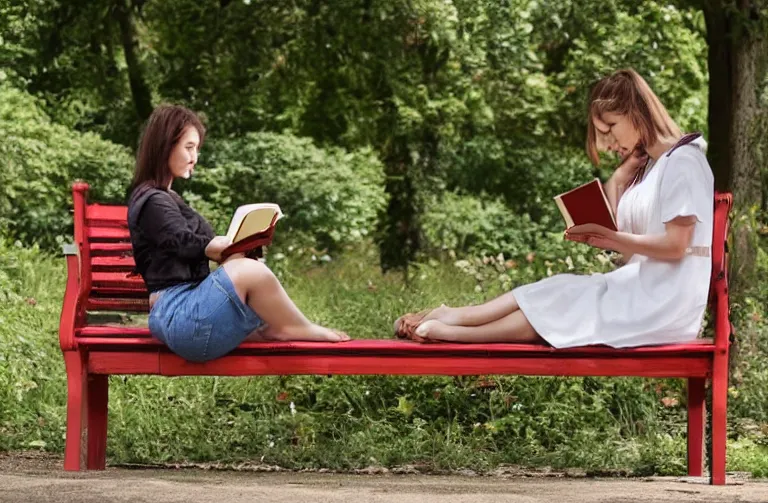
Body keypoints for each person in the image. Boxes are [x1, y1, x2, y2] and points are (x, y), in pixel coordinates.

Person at [395, 68, 714, 348]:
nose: (607, 142)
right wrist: (615, 184)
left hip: (665, 304)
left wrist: (610, 238)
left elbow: (675, 246)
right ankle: (456, 317)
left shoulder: (684, 160)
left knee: (568, 296)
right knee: (559, 287)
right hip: (644, 291)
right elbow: (631, 256)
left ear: (636, 112)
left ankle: (456, 332)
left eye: (610, 127)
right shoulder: (650, 170)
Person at [127, 105, 350, 363]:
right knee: (246, 270)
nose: (195, 157)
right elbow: (178, 239)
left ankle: (279, 328)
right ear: (165, 145)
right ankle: (292, 328)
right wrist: (212, 247)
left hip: (187, 312)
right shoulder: (152, 200)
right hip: (179, 314)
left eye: (197, 149)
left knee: (248, 266)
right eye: (189, 147)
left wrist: (236, 251)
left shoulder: (166, 198)